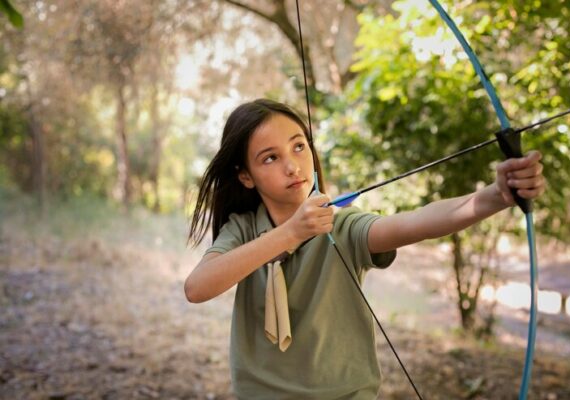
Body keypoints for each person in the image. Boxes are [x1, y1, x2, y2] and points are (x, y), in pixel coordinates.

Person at [184, 98, 546, 399]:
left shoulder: (341, 225)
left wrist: (495, 196)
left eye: (299, 146)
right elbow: (198, 287)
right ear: (245, 175)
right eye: (270, 158)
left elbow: (412, 223)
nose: (293, 165)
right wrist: (289, 234)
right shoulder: (245, 230)